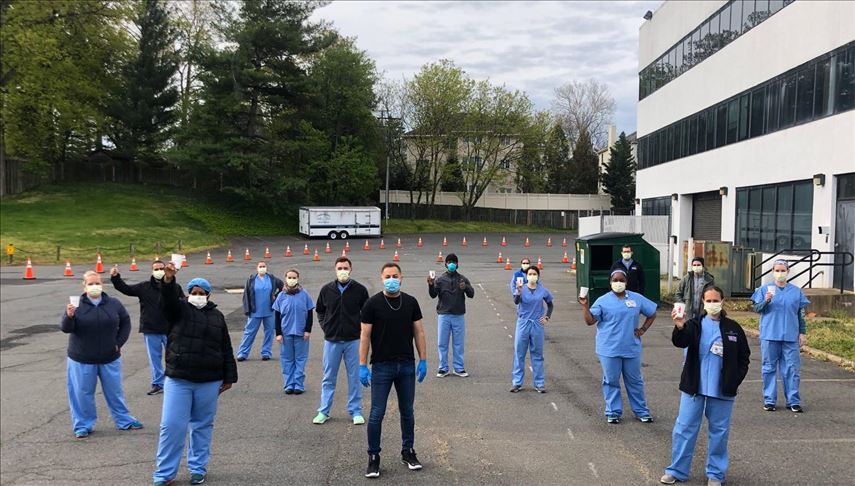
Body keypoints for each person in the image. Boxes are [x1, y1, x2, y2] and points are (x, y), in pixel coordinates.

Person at [153, 264, 237, 486]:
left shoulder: (217, 316)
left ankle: (198, 468)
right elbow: (167, 302)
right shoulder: (179, 309)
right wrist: (168, 280)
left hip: (209, 380)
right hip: (179, 379)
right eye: (194, 292)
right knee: (172, 425)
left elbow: (225, 346)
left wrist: (229, 376)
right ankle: (165, 473)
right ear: (188, 293)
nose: (198, 296)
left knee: (202, 425)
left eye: (202, 293)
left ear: (208, 295)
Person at [660, 285, 750, 486]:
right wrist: (679, 326)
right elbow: (680, 341)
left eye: (715, 300)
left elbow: (744, 357)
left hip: (722, 389)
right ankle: (676, 470)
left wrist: (734, 379)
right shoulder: (694, 325)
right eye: (708, 301)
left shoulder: (733, 328)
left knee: (719, 432)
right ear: (702, 302)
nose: (712, 304)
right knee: (684, 428)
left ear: (722, 301)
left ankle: (715, 474)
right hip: (695, 387)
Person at [359, 263, 428, 478]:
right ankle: (373, 457)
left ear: (401, 278)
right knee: (376, 413)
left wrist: (423, 359)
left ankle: (408, 451)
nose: (391, 279)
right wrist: (362, 365)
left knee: (407, 411)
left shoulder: (411, 302)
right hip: (382, 366)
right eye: (387, 276)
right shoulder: (372, 304)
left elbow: (419, 332)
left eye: (395, 276)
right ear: (381, 278)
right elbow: (365, 335)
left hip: (406, 365)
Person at [61, 270, 143, 439]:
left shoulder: (113, 303)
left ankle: (124, 420)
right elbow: (66, 328)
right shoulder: (76, 305)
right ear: (84, 286)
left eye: (97, 283)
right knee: (82, 393)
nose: (94, 286)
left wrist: (118, 343)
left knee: (115, 392)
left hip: (109, 357)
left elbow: (125, 322)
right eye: (90, 284)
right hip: (82, 358)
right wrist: (69, 316)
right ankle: (83, 425)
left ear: (102, 284)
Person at [580, 268, 657, 424]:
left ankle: (641, 411)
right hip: (609, 348)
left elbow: (652, 313)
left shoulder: (636, 298)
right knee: (611, 381)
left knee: (635, 381)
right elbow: (590, 321)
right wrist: (585, 306)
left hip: (631, 348)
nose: (618, 283)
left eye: (621, 280)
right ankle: (613, 412)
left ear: (627, 282)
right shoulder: (602, 300)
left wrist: (643, 329)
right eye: (615, 280)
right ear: (610, 282)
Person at [111, 260, 184, 395]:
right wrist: (116, 278)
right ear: (152, 271)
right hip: (151, 329)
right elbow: (126, 289)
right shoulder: (144, 287)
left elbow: (182, 304)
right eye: (156, 269)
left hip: (170, 329)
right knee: (154, 359)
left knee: (175, 357)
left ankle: (176, 382)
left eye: (161, 268)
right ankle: (158, 383)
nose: (159, 271)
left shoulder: (175, 287)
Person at [313, 257, 370, 425]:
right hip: (332, 341)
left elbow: (367, 314)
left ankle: (356, 410)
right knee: (328, 377)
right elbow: (320, 311)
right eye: (340, 268)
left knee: (355, 377)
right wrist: (326, 327)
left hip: (353, 340)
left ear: (351, 269)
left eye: (345, 268)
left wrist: (361, 331)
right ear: (335, 269)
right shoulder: (326, 290)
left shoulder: (360, 290)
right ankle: (324, 411)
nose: (343, 271)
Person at [751, 259, 810, 413]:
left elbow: (800, 314)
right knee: (769, 368)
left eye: (783, 270)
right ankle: (769, 400)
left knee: (792, 369)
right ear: (772, 272)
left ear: (788, 271)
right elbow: (757, 309)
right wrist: (766, 301)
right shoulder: (764, 289)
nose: (780, 273)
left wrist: (802, 332)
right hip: (770, 334)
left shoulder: (796, 292)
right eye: (777, 270)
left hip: (790, 336)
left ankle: (793, 401)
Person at [428, 253, 475, 378]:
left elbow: (471, 294)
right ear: (445, 264)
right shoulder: (440, 280)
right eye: (449, 262)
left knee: (458, 343)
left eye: (454, 262)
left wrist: (465, 287)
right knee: (442, 343)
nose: (452, 264)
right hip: (444, 315)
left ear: (457, 264)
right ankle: (443, 368)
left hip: (458, 315)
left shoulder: (462, 279)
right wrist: (431, 285)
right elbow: (433, 295)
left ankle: (458, 368)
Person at [510, 265, 554, 393]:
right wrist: (518, 291)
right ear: (526, 276)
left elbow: (550, 304)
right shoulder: (521, 288)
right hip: (523, 323)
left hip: (537, 324)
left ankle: (539, 383)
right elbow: (516, 301)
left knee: (537, 354)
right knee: (519, 353)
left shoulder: (543, 290)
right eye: (530, 274)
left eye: (534, 274)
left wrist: (547, 317)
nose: (532, 276)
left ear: (538, 276)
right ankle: (517, 382)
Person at [273, 269, 314, 395]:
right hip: (286, 333)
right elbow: (277, 316)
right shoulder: (281, 296)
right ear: (285, 278)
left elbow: (310, 313)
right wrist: (278, 333)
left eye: (294, 277)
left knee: (300, 359)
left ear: (298, 279)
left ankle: (299, 384)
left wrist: (307, 330)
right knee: (287, 359)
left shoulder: (304, 294)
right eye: (289, 277)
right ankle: (289, 384)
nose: (292, 280)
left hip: (301, 333)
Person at [236, 261, 284, 361]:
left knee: (269, 332)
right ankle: (242, 353)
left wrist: (277, 296)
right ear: (257, 268)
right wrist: (247, 309)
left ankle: (266, 352)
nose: (262, 268)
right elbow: (246, 295)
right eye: (260, 266)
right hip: (255, 311)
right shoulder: (251, 280)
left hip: (269, 310)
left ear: (266, 267)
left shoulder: (272, 278)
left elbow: (283, 287)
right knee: (249, 332)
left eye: (264, 266)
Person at [675, 257, 715, 322]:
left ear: (703, 266)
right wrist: (683, 306)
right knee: (689, 327)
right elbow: (678, 294)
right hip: (688, 313)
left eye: (698, 265)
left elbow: (712, 295)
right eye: (694, 265)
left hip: (703, 312)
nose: (696, 267)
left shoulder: (709, 279)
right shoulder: (686, 278)